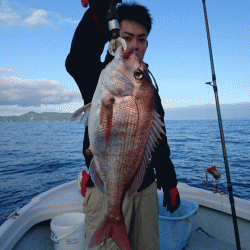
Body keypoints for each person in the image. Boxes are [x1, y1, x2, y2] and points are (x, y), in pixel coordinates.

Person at [65, 1, 180, 249]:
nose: (135, 45)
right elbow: (76, 60)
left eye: (142, 39)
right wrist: (96, 16)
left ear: (147, 43)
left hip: (146, 187)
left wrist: (169, 181)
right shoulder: (99, 75)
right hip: (107, 189)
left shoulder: (146, 87)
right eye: (127, 37)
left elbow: (157, 141)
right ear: (115, 38)